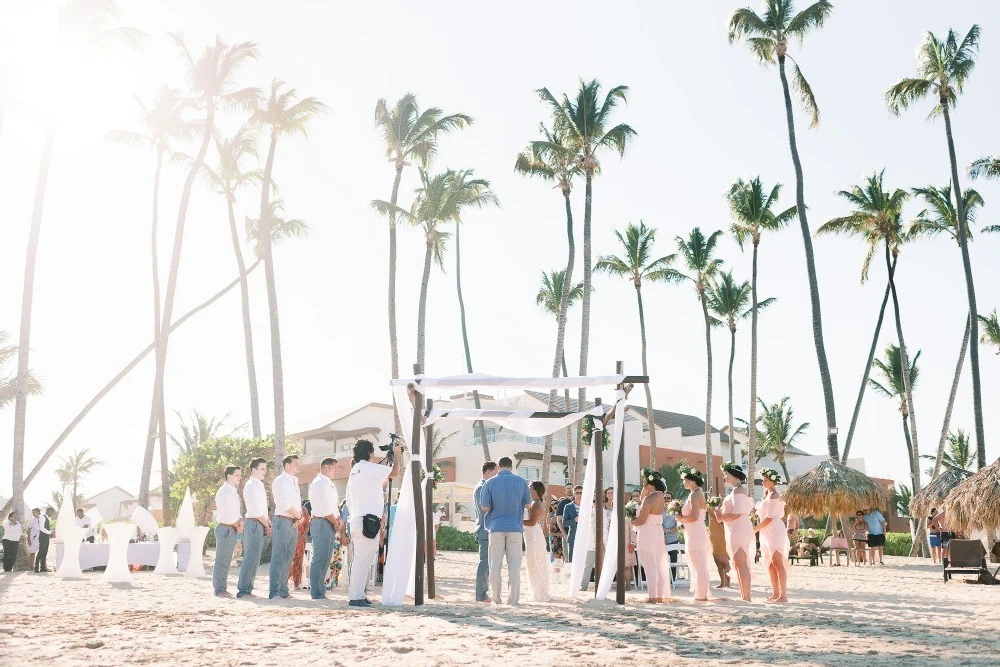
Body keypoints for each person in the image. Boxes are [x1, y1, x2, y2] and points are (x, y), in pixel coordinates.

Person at [345, 438, 402, 607]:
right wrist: (397, 455)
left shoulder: (356, 470)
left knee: (361, 559)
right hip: (366, 520)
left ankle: (359, 594)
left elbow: (379, 482)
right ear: (370, 452)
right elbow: (394, 473)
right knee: (362, 559)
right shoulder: (367, 467)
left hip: (357, 519)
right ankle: (355, 596)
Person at [481, 456, 531, 605]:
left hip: (496, 527)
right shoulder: (521, 482)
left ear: (498, 466)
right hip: (515, 528)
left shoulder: (490, 482)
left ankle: (496, 599)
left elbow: (485, 508)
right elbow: (528, 505)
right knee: (514, 566)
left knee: (495, 565)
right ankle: (513, 599)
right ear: (511, 466)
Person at [631, 469, 672, 603]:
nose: (642, 481)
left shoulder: (649, 498)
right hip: (658, 532)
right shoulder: (660, 496)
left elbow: (642, 519)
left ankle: (652, 596)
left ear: (650, 482)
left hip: (647, 532)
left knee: (649, 564)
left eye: (644, 480)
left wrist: (629, 520)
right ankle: (659, 596)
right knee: (658, 563)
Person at [715, 462, 754, 602]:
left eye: (727, 475)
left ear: (735, 476)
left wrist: (722, 516)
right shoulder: (733, 491)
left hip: (739, 528)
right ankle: (744, 595)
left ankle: (747, 597)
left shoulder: (738, 491)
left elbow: (738, 513)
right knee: (737, 563)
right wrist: (720, 515)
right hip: (732, 528)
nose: (725, 477)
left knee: (741, 562)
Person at [269, 454, 303, 599]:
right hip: (282, 521)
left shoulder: (294, 481)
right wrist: (299, 517)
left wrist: (299, 519)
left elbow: (297, 504)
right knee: (279, 557)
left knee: (288, 557)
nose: (298, 466)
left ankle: (283, 590)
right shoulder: (280, 481)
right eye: (295, 463)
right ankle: (274, 592)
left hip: (293, 522)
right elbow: (284, 504)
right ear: (287, 465)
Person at [309, 457, 343, 600]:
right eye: (334, 467)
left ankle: (320, 590)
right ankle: (316, 592)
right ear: (325, 468)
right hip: (322, 522)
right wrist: (335, 522)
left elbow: (333, 507)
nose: (336, 470)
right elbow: (324, 508)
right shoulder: (320, 483)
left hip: (329, 522)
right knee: (320, 558)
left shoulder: (328, 484)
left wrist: (338, 520)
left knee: (326, 559)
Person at [755, 468, 789, 604]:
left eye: (765, 480)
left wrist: (755, 529)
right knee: (769, 563)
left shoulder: (775, 495)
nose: (763, 482)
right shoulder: (767, 494)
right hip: (766, 531)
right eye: (763, 480)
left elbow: (769, 518)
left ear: (772, 481)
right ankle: (775, 593)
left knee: (777, 561)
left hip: (774, 529)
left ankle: (783, 595)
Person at [237, 457, 270, 599]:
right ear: (254, 470)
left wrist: (268, 522)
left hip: (260, 523)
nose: (265, 472)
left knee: (256, 558)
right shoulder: (251, 485)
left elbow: (263, 509)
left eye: (265, 469)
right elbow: (256, 511)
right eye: (262, 469)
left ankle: (248, 589)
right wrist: (267, 524)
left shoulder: (259, 485)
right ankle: (243, 590)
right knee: (250, 557)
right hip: (254, 523)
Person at [678, 468, 712, 601]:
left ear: (692, 480)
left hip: (696, 532)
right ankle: (701, 593)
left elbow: (694, 516)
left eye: (684, 480)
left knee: (699, 564)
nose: (683, 482)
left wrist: (680, 519)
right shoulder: (697, 493)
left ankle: (701, 595)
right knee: (699, 564)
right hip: (694, 531)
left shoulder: (694, 495)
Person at [211, 465, 244, 597]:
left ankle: (222, 588)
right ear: (229, 476)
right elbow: (227, 515)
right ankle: (219, 590)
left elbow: (236, 512)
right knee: (222, 560)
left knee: (226, 561)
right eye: (237, 475)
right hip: (225, 528)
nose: (239, 478)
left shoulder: (233, 491)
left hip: (232, 528)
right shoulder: (224, 492)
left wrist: (240, 521)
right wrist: (238, 525)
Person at [473, 461, 498, 603]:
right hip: (485, 529)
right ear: (488, 472)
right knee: (484, 563)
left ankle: (483, 594)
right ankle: (481, 595)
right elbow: (484, 510)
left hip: (487, 528)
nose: (497, 476)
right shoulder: (481, 487)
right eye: (495, 472)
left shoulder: (484, 486)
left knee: (487, 563)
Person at [523, 480, 552, 602]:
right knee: (532, 563)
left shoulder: (536, 504)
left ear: (534, 490)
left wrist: (516, 522)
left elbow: (532, 522)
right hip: (530, 535)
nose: (528, 489)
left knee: (536, 563)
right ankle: (536, 590)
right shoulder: (533, 503)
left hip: (534, 535)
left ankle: (539, 593)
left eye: (530, 487)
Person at [289, 500, 312, 590]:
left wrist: (303, 535)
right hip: (290, 538)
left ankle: (296, 584)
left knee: (298, 561)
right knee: (288, 560)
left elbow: (307, 524)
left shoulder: (304, 510)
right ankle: (283, 582)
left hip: (301, 539)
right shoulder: (289, 510)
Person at [708, 509, 731, 588]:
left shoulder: (724, 506)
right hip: (713, 532)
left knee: (725, 561)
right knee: (718, 562)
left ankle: (727, 582)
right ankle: (722, 582)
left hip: (721, 531)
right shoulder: (709, 506)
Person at [561, 485, 583, 564]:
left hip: (585, 538)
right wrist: (574, 520)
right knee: (572, 562)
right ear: (574, 494)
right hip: (573, 538)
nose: (579, 495)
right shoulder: (568, 506)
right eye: (577, 493)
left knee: (584, 562)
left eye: (581, 493)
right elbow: (564, 523)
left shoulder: (588, 506)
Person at [661, 492, 680, 581]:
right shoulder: (658, 510)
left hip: (673, 539)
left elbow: (678, 527)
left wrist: (667, 531)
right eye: (664, 498)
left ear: (671, 499)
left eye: (668, 498)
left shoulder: (676, 511)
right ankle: (663, 579)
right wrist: (663, 532)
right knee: (661, 561)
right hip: (660, 539)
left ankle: (673, 580)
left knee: (673, 561)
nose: (666, 500)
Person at [35, 507, 53, 573]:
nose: (52, 514)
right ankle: (36, 567)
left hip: (46, 536)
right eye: (51, 512)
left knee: (45, 552)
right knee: (41, 552)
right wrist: (50, 532)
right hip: (42, 536)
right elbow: (41, 528)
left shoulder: (47, 518)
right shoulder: (42, 517)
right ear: (48, 511)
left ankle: (43, 568)